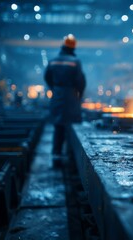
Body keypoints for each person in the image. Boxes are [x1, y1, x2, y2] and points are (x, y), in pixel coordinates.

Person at [44, 34, 86, 167]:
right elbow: (81, 81)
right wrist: (79, 96)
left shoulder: (52, 61)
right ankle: (72, 157)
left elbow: (47, 77)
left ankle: (56, 157)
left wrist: (55, 89)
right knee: (72, 127)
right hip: (71, 97)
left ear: (63, 45)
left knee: (58, 127)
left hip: (57, 95)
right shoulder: (75, 62)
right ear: (73, 47)